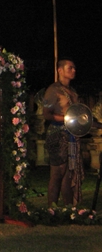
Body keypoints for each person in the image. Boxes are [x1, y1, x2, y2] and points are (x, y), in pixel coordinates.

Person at [43, 59, 83, 207]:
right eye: (70, 68)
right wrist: (68, 119)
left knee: (69, 174)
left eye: (74, 68)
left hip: (71, 134)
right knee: (58, 172)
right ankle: (52, 209)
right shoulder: (53, 90)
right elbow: (46, 114)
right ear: (60, 70)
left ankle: (68, 209)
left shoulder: (72, 91)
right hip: (57, 133)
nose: (74, 70)